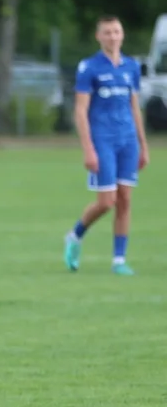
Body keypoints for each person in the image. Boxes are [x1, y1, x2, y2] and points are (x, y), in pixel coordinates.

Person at [64, 15, 150, 275]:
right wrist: (88, 148)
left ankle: (119, 261)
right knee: (106, 202)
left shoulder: (131, 67)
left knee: (125, 200)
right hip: (102, 140)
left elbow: (134, 106)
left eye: (116, 32)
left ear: (122, 35)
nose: (113, 37)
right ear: (98, 36)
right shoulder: (89, 67)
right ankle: (75, 236)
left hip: (127, 140)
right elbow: (80, 111)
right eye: (107, 32)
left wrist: (143, 145)